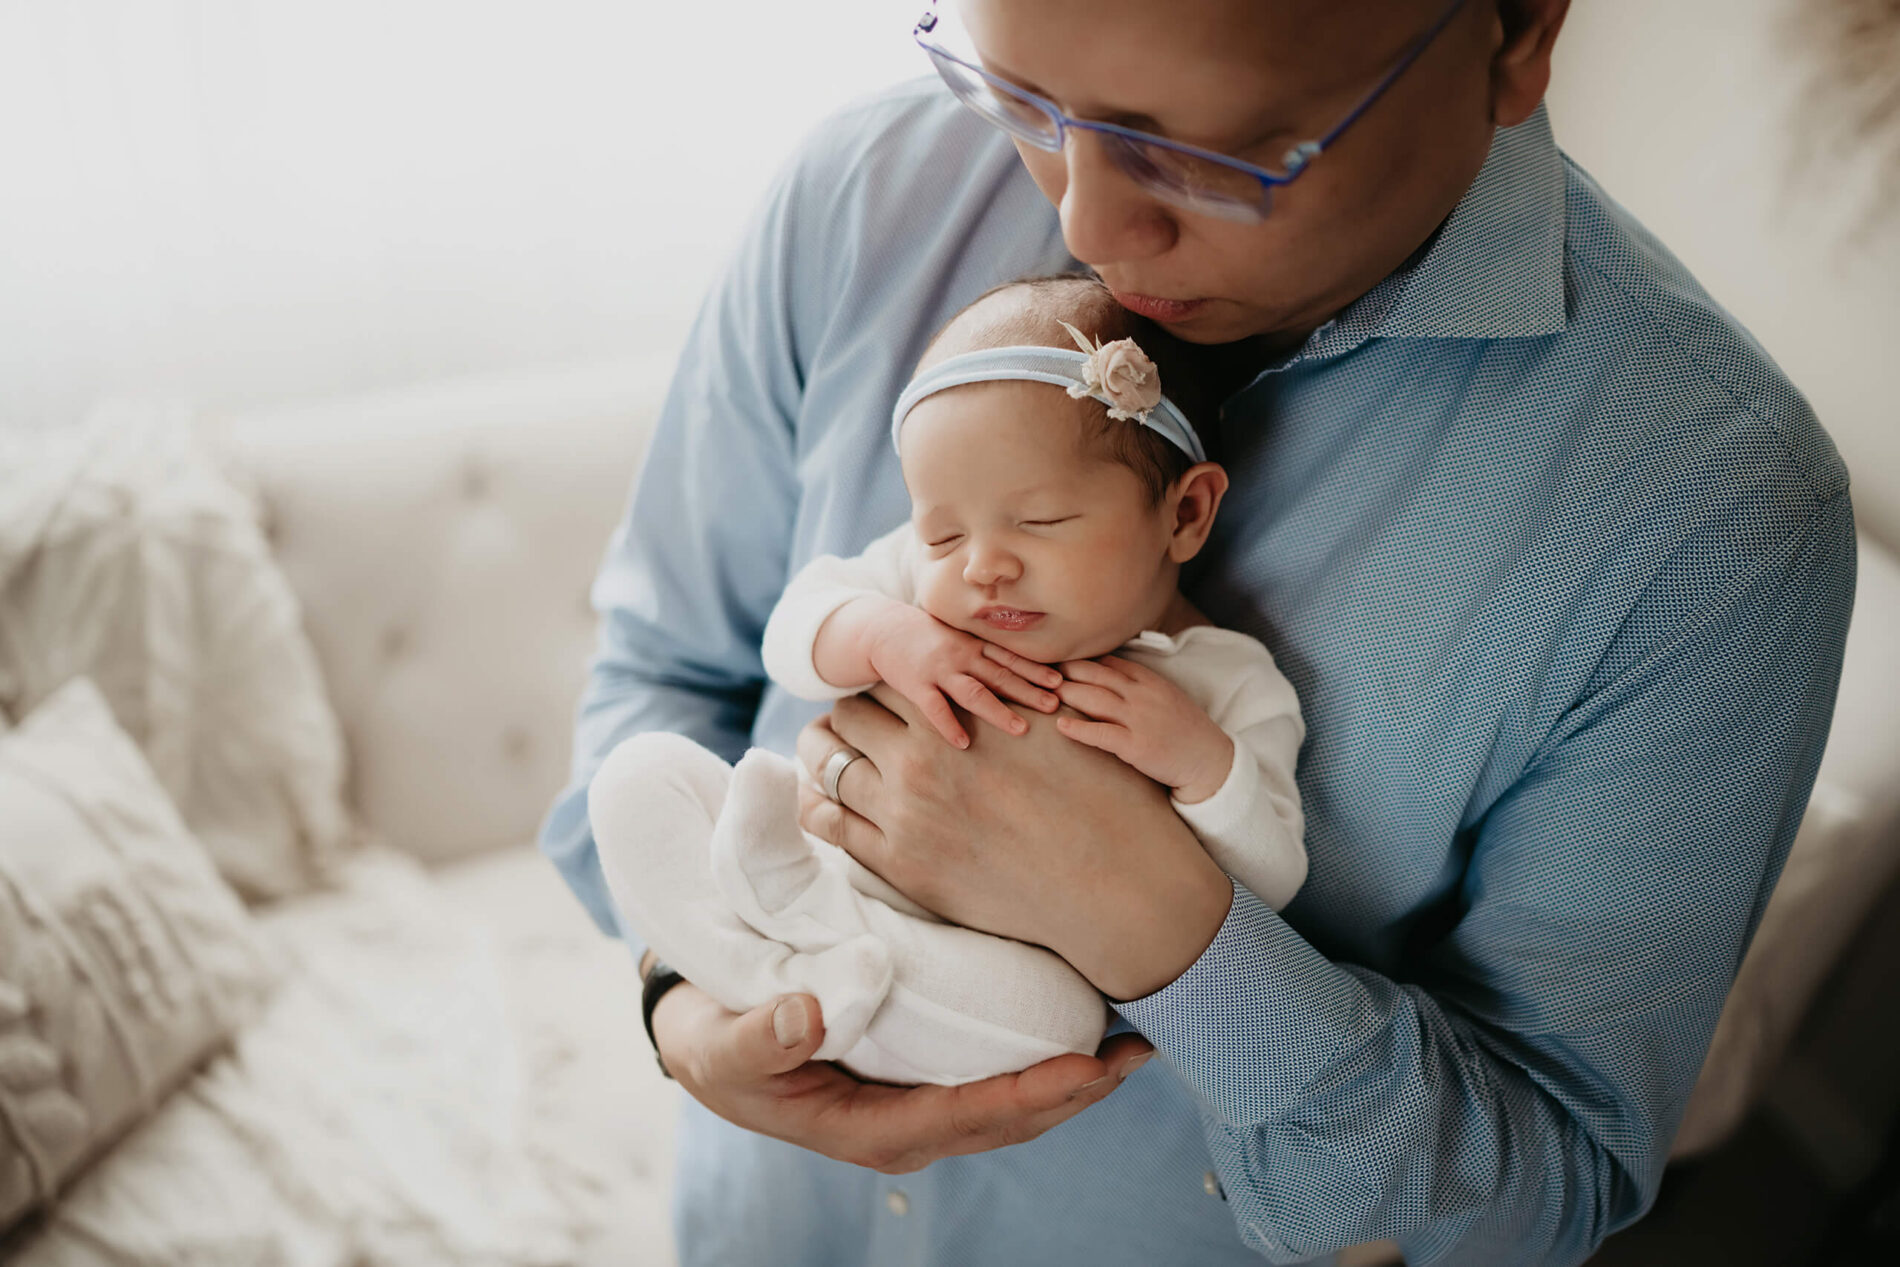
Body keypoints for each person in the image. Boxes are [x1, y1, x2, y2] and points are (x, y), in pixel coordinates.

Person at [538, 0, 1857, 1261]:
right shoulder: (866, 186)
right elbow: (663, 667)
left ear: (1515, 29)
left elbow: (1545, 1183)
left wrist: (1154, 918)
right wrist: (684, 995)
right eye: (1020, 97)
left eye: (1215, 152)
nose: (1088, 220)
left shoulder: (1714, 516)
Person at [585, 274, 1307, 1089]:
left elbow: (1275, 877)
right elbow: (794, 629)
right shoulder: (923, 590)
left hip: (956, 970)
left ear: (1183, 515)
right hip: (828, 858)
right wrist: (884, 634)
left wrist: (1202, 763)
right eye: (942, 531)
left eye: (1040, 522)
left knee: (1061, 1026)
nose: (982, 565)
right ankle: (777, 941)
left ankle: (796, 961)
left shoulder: (1224, 678)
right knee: (635, 778)